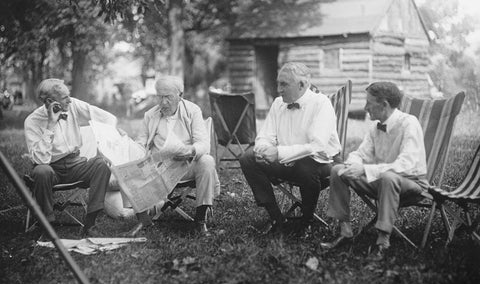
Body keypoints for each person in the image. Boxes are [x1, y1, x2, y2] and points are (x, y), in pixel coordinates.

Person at [320, 81, 428, 260]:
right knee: (338, 170)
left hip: (412, 183)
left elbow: (407, 164)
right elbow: (361, 154)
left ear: (384, 104)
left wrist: (365, 169)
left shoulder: (409, 123)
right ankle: (345, 232)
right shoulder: (375, 126)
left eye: (369, 102)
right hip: (381, 180)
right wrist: (352, 165)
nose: (365, 107)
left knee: (388, 177)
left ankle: (383, 241)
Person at [239, 62, 341, 236]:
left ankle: (306, 221)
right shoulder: (278, 103)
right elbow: (265, 136)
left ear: (302, 85)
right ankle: (276, 217)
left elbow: (317, 146)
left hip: (323, 162)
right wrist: (263, 150)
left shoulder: (321, 104)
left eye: (284, 84)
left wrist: (278, 152)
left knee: (306, 166)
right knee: (248, 157)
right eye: (278, 83)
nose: (278, 89)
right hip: (287, 161)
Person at [125, 75, 219, 237]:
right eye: (159, 97)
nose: (163, 103)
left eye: (168, 97)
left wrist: (190, 151)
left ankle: (200, 220)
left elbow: (203, 144)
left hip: (185, 165)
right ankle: (143, 219)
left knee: (207, 161)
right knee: (127, 166)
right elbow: (141, 143)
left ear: (180, 96)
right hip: (158, 169)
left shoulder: (193, 111)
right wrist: (127, 145)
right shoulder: (150, 115)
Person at [24, 78, 118, 237]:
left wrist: (105, 142)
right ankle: (47, 223)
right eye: (65, 97)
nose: (70, 100)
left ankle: (90, 223)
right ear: (50, 101)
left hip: (76, 165)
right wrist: (50, 126)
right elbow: (41, 160)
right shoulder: (32, 121)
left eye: (69, 96)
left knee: (101, 165)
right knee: (41, 172)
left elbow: (107, 118)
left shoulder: (72, 104)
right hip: (51, 169)